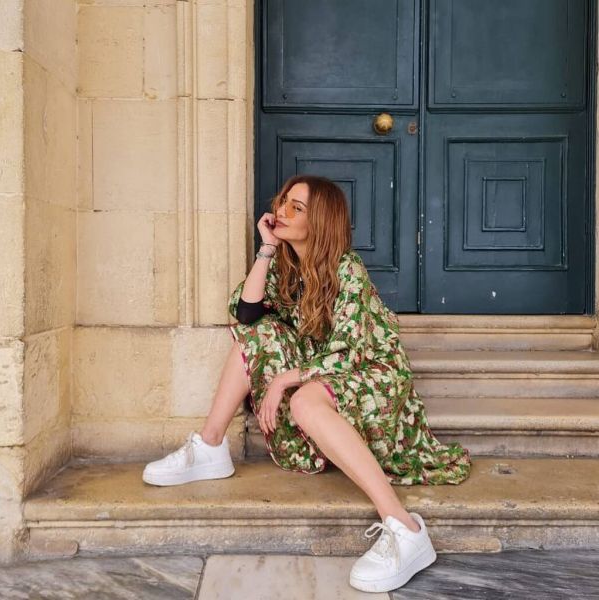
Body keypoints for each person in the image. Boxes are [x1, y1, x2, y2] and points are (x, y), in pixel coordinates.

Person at [142, 174, 472, 592]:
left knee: (304, 402)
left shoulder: (348, 269)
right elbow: (246, 315)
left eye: (296, 208)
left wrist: (285, 380)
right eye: (283, 202)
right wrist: (266, 248)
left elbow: (349, 352)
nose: (281, 211)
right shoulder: (286, 267)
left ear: (319, 221)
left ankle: (405, 528)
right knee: (258, 334)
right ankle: (210, 446)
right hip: (324, 370)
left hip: (373, 373)